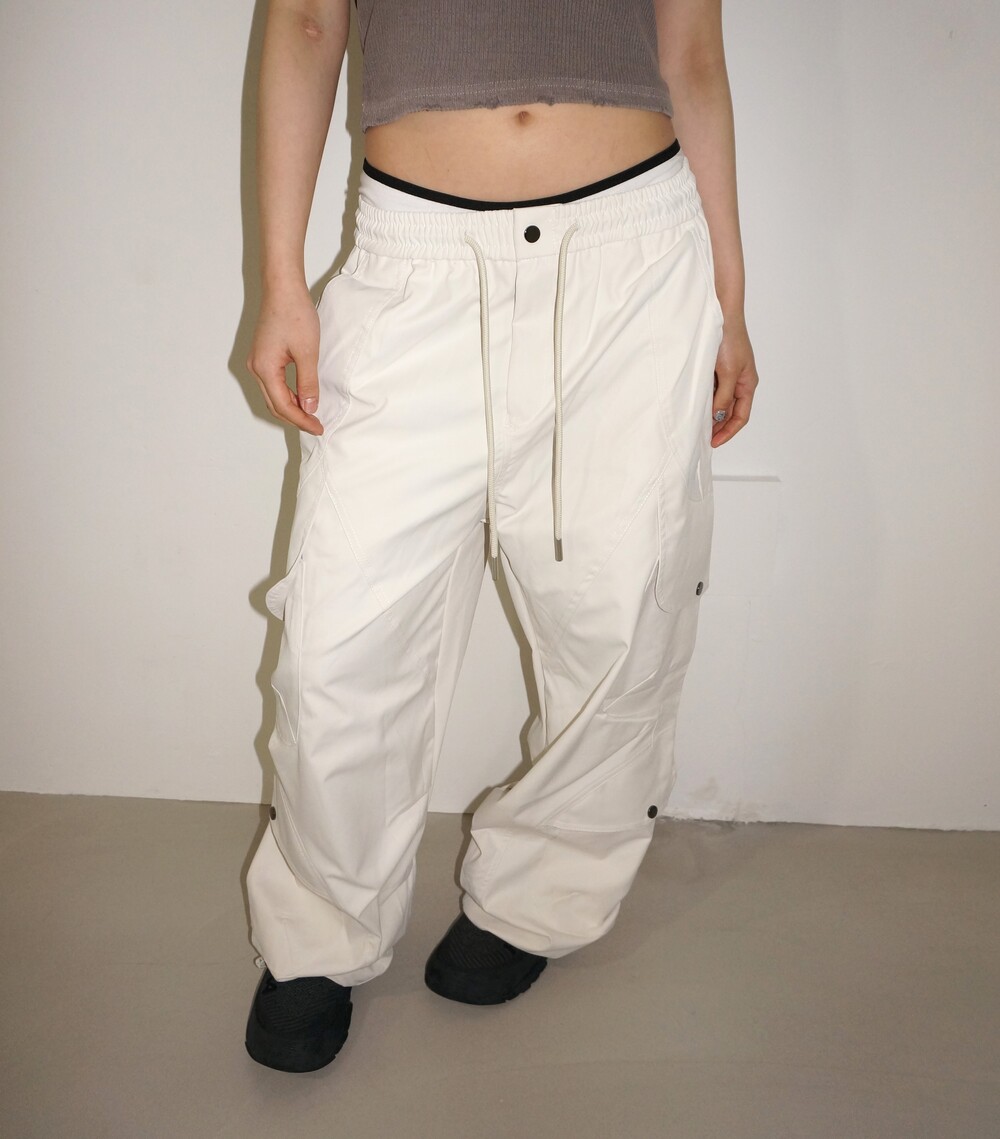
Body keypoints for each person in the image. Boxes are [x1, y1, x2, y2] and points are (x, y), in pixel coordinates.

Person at [243, 0, 758, 1073]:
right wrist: (281, 278)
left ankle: (539, 893)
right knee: (340, 637)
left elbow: (692, 56)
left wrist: (730, 298)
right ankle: (321, 930)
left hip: (634, 261)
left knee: (620, 614)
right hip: (412, 257)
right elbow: (305, 24)